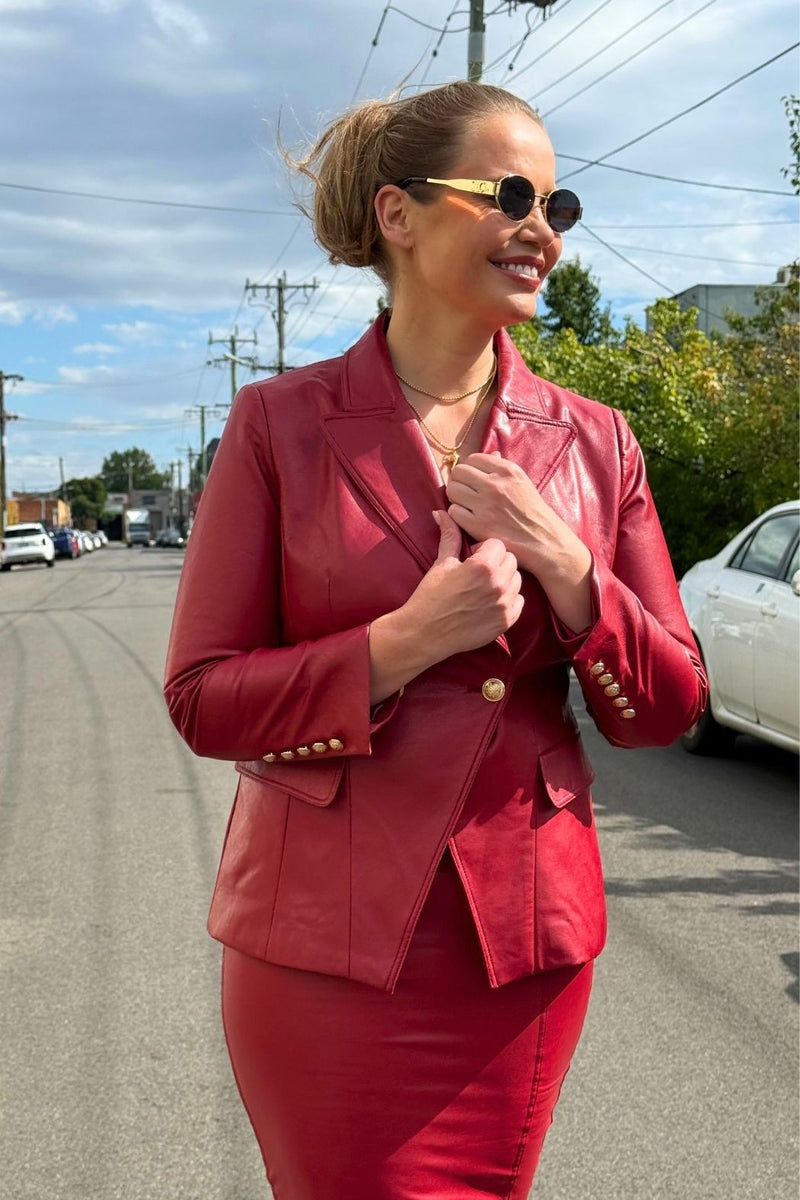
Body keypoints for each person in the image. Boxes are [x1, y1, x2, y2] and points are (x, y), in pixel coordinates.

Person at [164, 80, 707, 1199]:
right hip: (322, 937)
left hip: (522, 948)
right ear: (397, 216)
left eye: (558, 208)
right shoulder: (280, 425)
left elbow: (665, 705)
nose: (539, 231)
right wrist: (396, 645)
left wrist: (568, 569)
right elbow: (202, 697)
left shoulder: (596, 443)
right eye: (510, 194)